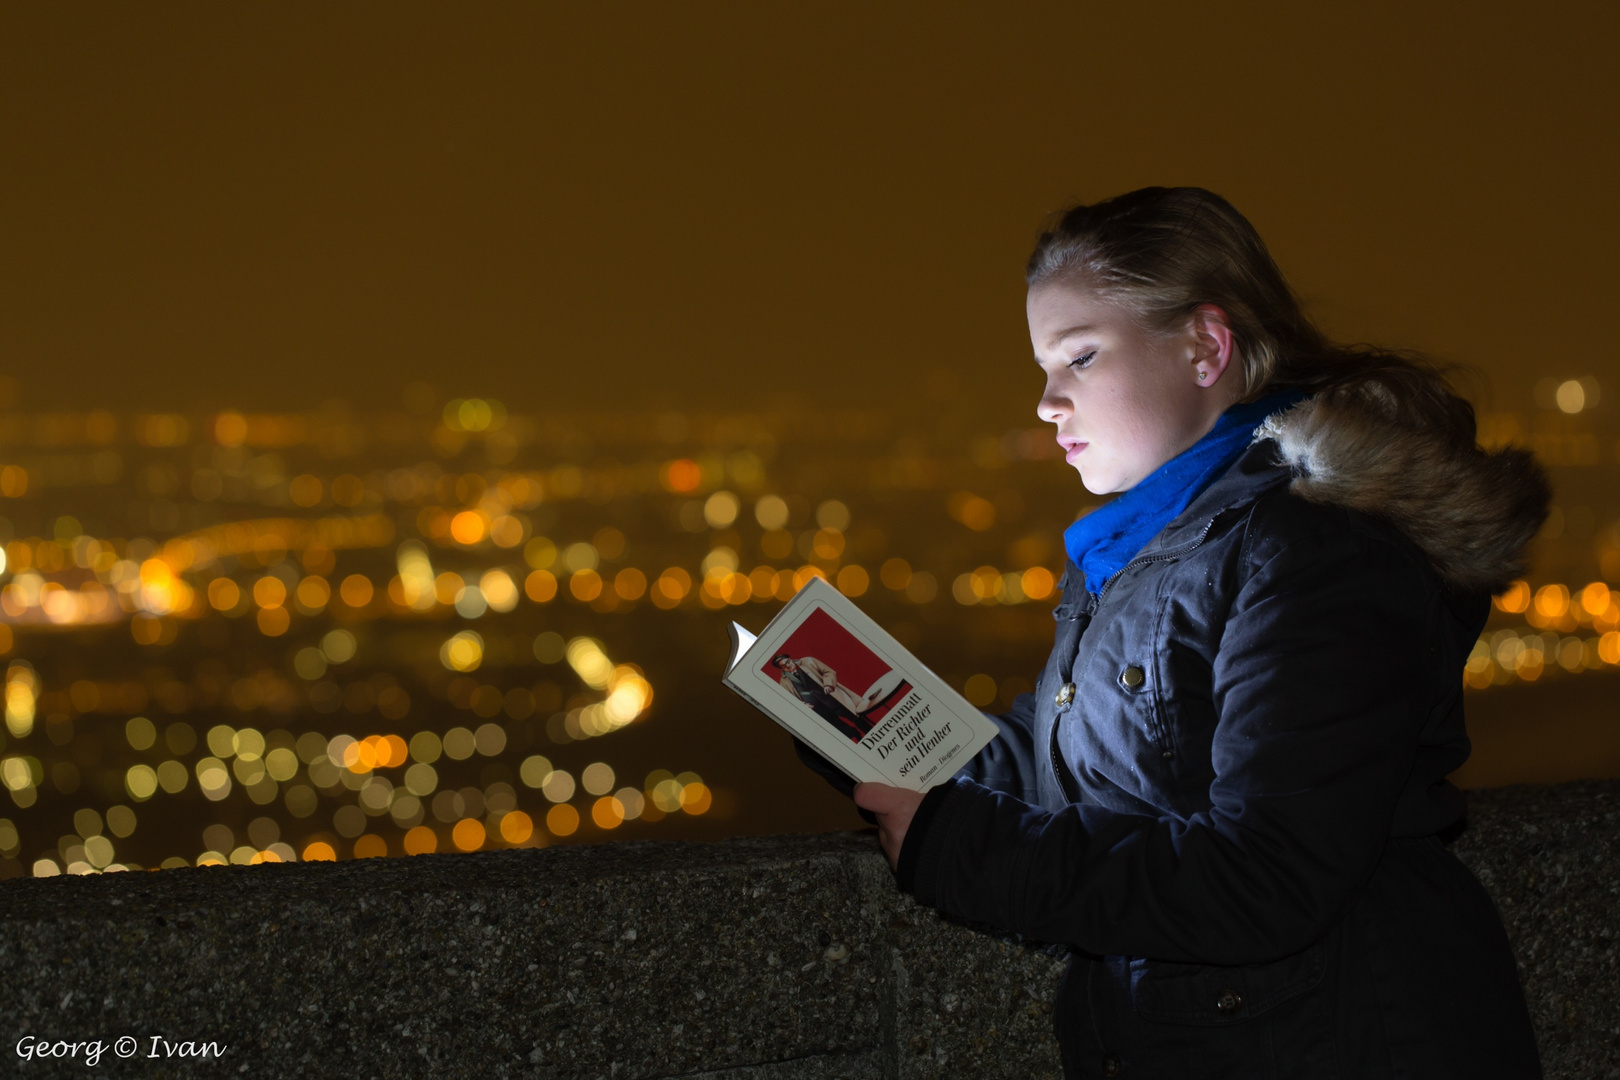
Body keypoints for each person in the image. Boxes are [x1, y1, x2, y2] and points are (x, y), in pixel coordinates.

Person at [813, 187, 1548, 1077]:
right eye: (1044, 367)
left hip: (1337, 1036)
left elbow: (1267, 874)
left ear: (1205, 345)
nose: (1047, 402)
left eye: (1079, 358)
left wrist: (961, 847)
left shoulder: (1316, 546)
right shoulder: (1152, 547)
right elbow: (1101, 774)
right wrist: (882, 733)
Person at [772, 653, 877, 739]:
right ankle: (858, 740)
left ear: (790, 659)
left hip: (831, 699)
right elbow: (789, 699)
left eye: (788, 662)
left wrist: (828, 684)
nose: (788, 666)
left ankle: (873, 734)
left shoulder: (808, 661)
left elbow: (828, 671)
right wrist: (803, 705)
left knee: (854, 716)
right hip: (818, 709)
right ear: (781, 669)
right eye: (784, 666)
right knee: (839, 728)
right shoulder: (784, 682)